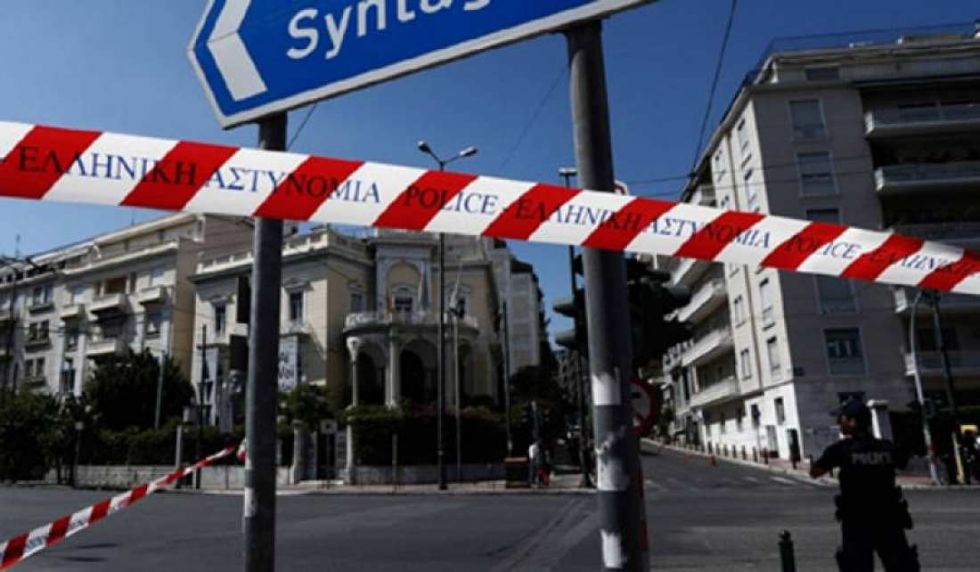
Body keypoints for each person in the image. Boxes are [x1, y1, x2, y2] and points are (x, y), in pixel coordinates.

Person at [810, 399, 920, 572]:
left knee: (857, 567)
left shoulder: (841, 449)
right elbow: (903, 462)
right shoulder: (886, 447)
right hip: (889, 517)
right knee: (899, 565)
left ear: (853, 422)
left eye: (842, 419)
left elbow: (815, 472)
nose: (839, 423)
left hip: (857, 520)